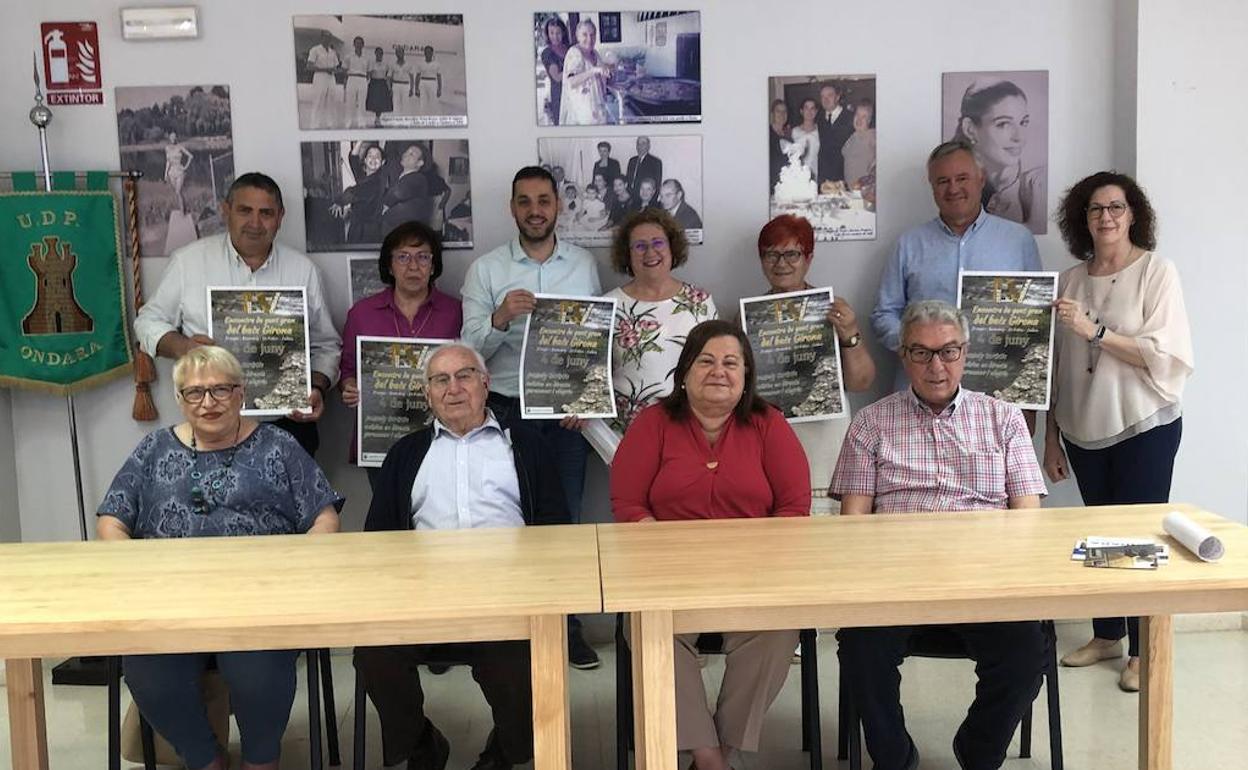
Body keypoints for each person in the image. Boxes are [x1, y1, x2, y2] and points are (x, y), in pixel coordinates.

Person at [98, 346, 342, 770]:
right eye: (194, 393)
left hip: (259, 604)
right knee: (147, 671)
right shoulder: (154, 449)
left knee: (257, 673)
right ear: (180, 400)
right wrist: (132, 570)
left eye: (219, 390)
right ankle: (204, 758)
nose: (207, 403)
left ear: (240, 394)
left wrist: (300, 570)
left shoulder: (279, 446)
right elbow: (111, 519)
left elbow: (323, 516)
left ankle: (261, 760)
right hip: (170, 603)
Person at [830, 300, 1047, 770]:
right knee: (860, 648)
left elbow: (1029, 522)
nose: (936, 366)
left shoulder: (1004, 420)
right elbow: (851, 527)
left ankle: (979, 750)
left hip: (984, 582)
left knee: (1029, 651)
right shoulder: (871, 424)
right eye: (922, 353)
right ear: (904, 356)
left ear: (965, 353)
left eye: (948, 351)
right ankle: (894, 756)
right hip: (896, 583)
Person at [355, 343, 567, 770]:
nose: (454, 388)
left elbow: (556, 530)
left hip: (508, 597)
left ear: (486, 384)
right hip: (424, 599)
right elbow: (378, 541)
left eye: (465, 375)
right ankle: (421, 746)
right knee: (373, 652)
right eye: (441, 380)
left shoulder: (525, 446)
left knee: (519, 662)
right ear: (428, 393)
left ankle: (504, 753)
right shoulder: (405, 454)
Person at [611, 320, 809, 770]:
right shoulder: (654, 423)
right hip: (667, 578)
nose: (718, 371)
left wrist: (763, 569)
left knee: (779, 631)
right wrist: (661, 559)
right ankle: (709, 756)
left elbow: (795, 510)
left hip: (752, 578)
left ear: (745, 378)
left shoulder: (768, 423)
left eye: (730, 363)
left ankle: (726, 745)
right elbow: (627, 504)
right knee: (646, 631)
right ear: (684, 372)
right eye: (706, 361)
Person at [1046, 172, 1193, 692]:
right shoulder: (1069, 279)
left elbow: (1164, 354)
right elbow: (1054, 364)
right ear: (1081, 219)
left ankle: (1141, 649)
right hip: (1083, 427)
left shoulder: (1156, 271)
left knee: (1141, 540)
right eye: (1094, 209)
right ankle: (1107, 633)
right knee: (1100, 536)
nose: (1105, 217)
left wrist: (1097, 331)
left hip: (1143, 425)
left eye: (1116, 207)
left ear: (1133, 215)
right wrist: (1050, 437)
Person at [459, 165, 603, 669]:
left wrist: (584, 396)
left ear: (558, 205)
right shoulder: (487, 269)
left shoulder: (583, 264)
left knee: (565, 516)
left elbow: (590, 339)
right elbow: (468, 347)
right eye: (525, 201)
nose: (535, 209)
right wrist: (499, 318)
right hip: (501, 406)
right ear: (512, 207)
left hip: (563, 409)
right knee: (506, 516)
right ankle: (510, 625)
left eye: (544, 200)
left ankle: (567, 627)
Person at [134, 172, 342, 458]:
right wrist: (185, 347)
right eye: (245, 211)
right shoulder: (189, 262)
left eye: (266, 213)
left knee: (292, 504)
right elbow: (147, 321)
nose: (255, 223)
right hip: (210, 423)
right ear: (225, 210)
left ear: (280, 217)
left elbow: (326, 345)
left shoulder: (303, 270)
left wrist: (317, 387)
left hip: (288, 427)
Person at [870, 140, 1041, 386]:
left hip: (996, 388)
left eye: (962, 178)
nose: (953, 189)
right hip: (922, 388)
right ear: (932, 187)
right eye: (943, 181)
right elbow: (884, 313)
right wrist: (917, 347)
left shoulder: (1019, 240)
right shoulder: (908, 244)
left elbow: (1036, 318)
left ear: (981, 179)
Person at [754, 214, 875, 513]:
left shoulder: (834, 310)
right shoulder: (748, 317)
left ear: (808, 258)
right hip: (770, 440)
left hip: (824, 441)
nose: (781, 263)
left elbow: (862, 382)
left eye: (792, 253)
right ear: (761, 260)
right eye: (772, 254)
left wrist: (849, 333)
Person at [340, 221, 463, 481]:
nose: (413, 266)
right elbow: (348, 370)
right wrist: (349, 387)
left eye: (423, 257)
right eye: (403, 257)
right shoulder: (362, 314)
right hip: (383, 437)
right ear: (389, 265)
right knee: (391, 516)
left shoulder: (456, 312)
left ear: (433, 266)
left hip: (442, 436)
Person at [606, 209, 717, 432]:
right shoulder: (609, 306)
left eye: (658, 242)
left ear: (672, 248)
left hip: (692, 427)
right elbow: (593, 371)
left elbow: (717, 364)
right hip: (628, 432)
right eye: (639, 246)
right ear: (627, 255)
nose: (650, 252)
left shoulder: (700, 302)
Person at [954, 79, 1046, 234]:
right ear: (970, 129)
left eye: (1023, 122)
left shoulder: (1038, 185)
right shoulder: (955, 189)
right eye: (1003, 124)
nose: (1019, 137)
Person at [380, 142, 451, 236]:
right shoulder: (402, 176)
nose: (405, 154)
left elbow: (398, 192)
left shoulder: (418, 178)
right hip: (392, 230)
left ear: (419, 163)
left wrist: (385, 205)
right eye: (406, 152)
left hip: (403, 232)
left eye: (411, 154)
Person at [331, 143, 388, 244]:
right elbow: (353, 158)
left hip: (368, 232)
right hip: (359, 227)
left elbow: (355, 192)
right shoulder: (364, 176)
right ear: (365, 160)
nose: (373, 159)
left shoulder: (378, 180)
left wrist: (340, 201)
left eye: (377, 157)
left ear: (383, 162)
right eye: (370, 155)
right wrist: (360, 139)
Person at [559, 18, 609, 125]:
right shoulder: (575, 53)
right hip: (583, 113)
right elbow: (571, 81)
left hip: (597, 108)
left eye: (592, 34)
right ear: (578, 36)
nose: (589, 39)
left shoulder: (594, 53)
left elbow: (600, 77)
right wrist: (594, 70)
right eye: (585, 34)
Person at [816, 82, 855, 186]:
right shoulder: (818, 119)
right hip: (824, 179)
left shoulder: (851, 118)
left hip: (845, 177)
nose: (825, 99)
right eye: (822, 96)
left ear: (837, 97)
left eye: (830, 95)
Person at [306, 30, 341, 129]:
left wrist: (335, 70)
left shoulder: (332, 52)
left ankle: (330, 124)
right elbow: (309, 66)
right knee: (318, 101)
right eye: (325, 37)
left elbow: (336, 66)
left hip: (331, 78)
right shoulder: (315, 50)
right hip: (320, 77)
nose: (327, 39)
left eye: (329, 37)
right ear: (321, 38)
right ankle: (314, 125)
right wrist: (325, 69)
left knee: (331, 101)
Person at [540, 17, 570, 124]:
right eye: (551, 33)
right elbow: (557, 77)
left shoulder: (569, 48)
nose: (555, 36)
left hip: (574, 92)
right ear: (547, 34)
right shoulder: (547, 53)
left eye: (558, 33)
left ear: (563, 33)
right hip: (559, 95)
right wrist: (572, 71)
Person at [841, 100, 876, 190]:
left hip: (866, 192)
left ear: (869, 120)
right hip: (851, 192)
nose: (859, 119)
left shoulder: (872, 135)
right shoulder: (851, 137)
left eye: (864, 117)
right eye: (857, 115)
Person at [341, 36, 370, 128]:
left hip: (362, 80)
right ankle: (348, 122)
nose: (358, 45)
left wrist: (365, 80)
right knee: (350, 102)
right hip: (352, 79)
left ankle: (362, 123)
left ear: (363, 45)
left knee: (362, 102)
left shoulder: (367, 58)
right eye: (356, 43)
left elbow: (369, 72)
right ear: (353, 44)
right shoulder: (348, 56)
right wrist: (346, 82)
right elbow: (344, 70)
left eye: (360, 43)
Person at [790, 98, 821, 178]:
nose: (809, 111)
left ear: (816, 112)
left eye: (812, 108)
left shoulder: (821, 131)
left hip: (816, 173)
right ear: (801, 111)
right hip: (798, 174)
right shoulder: (794, 132)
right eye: (806, 108)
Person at [163, 131, 194, 213]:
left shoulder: (180, 147)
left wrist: (185, 167)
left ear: (176, 138)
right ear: (169, 138)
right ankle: (184, 207)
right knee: (177, 193)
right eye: (171, 137)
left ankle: (182, 211)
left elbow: (190, 156)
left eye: (174, 137)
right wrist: (165, 174)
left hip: (179, 171)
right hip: (171, 173)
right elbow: (168, 162)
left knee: (178, 191)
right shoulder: (167, 148)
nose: (173, 138)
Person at [365, 46, 393, 127]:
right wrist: (366, 84)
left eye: (381, 53)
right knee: (374, 103)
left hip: (382, 83)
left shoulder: (386, 64)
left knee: (381, 104)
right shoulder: (371, 63)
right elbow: (368, 75)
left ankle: (378, 119)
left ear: (382, 54)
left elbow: (387, 77)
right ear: (375, 54)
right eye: (377, 53)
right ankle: (374, 119)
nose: (379, 55)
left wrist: (389, 88)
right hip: (374, 83)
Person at [767, 99, 790, 191]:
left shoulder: (788, 136)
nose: (782, 114)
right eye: (778, 111)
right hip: (770, 184)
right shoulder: (766, 134)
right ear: (772, 114)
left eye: (784, 111)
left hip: (785, 185)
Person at [389, 45, 416, 117]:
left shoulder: (409, 64)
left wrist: (411, 89)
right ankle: (396, 121)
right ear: (395, 54)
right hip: (396, 85)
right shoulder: (392, 65)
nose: (399, 54)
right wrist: (390, 89)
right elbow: (389, 77)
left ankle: (405, 121)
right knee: (396, 104)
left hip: (406, 86)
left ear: (404, 53)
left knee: (406, 104)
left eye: (400, 52)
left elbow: (412, 77)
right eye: (397, 52)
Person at [415, 45, 442, 115]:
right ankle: (422, 118)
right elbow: (417, 76)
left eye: (429, 52)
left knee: (433, 102)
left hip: (432, 83)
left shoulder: (437, 64)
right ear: (424, 53)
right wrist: (416, 88)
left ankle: (433, 118)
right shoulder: (420, 63)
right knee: (423, 102)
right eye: (426, 52)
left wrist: (439, 89)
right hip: (423, 83)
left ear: (432, 53)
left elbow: (439, 77)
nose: (428, 54)